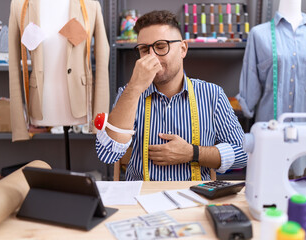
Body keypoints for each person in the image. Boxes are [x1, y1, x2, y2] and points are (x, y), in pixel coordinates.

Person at [96, 10, 247, 181]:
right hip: (141, 201)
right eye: (145, 49)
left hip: (194, 199)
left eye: (161, 46)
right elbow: (107, 155)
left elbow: (242, 154)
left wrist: (193, 153)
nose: (152, 57)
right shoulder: (129, 94)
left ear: (183, 49)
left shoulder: (212, 95)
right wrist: (134, 88)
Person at [236, 0, 306, 176]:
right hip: (271, 132)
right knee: (269, 194)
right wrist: (246, 106)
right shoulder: (259, 34)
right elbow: (250, 84)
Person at [8, 0, 110, 141]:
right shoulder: (19, 6)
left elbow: (102, 59)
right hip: (42, 104)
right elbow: (13, 64)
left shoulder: (90, 5)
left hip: (80, 104)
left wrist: (99, 119)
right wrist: (19, 127)